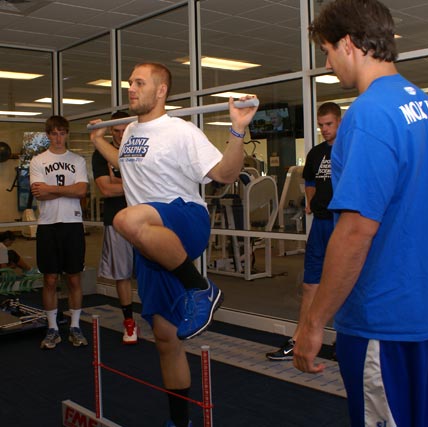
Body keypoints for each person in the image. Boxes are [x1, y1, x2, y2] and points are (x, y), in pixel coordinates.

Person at [293, 1, 428, 426]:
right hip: (427, 308)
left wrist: (313, 324)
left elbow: (354, 233)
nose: (328, 64)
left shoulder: (366, 116)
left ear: (349, 44)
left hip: (382, 317)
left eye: (328, 51)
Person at [89, 62, 258, 427]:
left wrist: (238, 130)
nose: (130, 88)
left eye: (139, 83)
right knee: (166, 338)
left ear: (161, 89)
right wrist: (98, 140)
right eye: (129, 82)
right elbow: (126, 162)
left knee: (124, 219)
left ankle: (202, 288)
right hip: (152, 241)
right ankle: (180, 422)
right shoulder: (132, 131)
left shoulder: (182, 130)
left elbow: (224, 175)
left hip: (184, 220)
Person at [266, 102, 341, 361]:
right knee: (311, 285)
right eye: (321, 125)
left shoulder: (351, 149)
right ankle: (299, 340)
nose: (324, 129)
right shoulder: (317, 152)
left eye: (329, 124)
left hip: (342, 224)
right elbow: (310, 179)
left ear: (339, 122)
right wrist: (309, 200)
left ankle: (346, 340)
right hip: (320, 224)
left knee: (346, 283)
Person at [30, 115, 89, 350]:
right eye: (54, 133)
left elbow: (82, 191)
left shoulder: (77, 160)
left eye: (62, 133)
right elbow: (38, 194)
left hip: (72, 224)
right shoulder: (38, 160)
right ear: (48, 135)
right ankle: (53, 328)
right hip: (47, 225)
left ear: (67, 134)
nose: (58, 137)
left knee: (74, 277)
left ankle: (75, 326)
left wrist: (52, 188)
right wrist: (68, 190)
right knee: (50, 279)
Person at [92, 111, 138, 345]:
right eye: (116, 131)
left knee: (151, 271)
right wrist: (137, 183)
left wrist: (118, 180)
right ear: (110, 131)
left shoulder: (140, 150)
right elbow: (106, 190)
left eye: (124, 130)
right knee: (122, 275)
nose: (120, 136)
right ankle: (129, 322)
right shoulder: (100, 154)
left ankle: (159, 315)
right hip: (116, 219)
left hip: (144, 220)